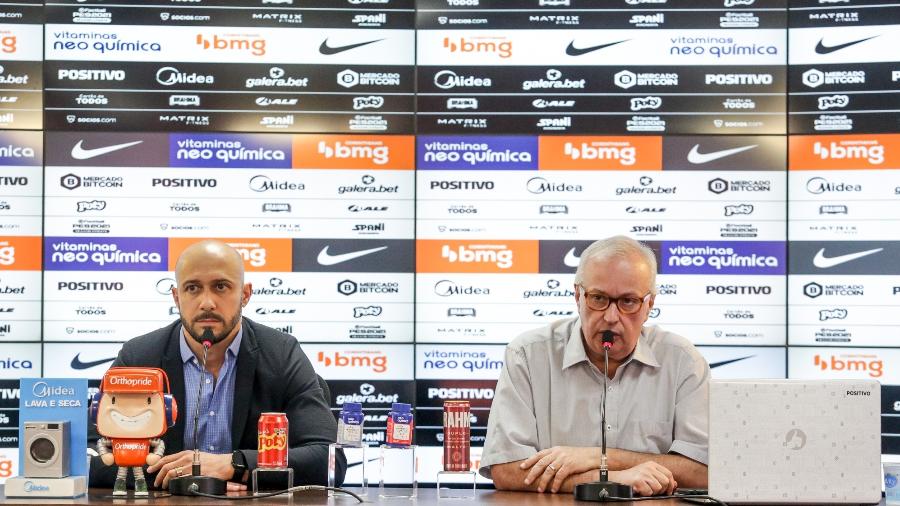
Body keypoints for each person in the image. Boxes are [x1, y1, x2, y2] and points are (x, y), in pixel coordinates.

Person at [89, 240, 345, 491]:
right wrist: (184, 477)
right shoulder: (139, 357)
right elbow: (88, 456)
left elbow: (329, 460)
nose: (207, 302)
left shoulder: (282, 354)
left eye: (221, 286)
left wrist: (235, 465)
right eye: (192, 288)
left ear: (245, 294)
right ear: (177, 297)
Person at [479, 235, 709, 496]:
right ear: (577, 296)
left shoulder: (682, 361)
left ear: (650, 305)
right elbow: (506, 469)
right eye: (598, 299)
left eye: (628, 302)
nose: (612, 318)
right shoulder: (528, 355)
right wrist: (617, 480)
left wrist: (597, 458)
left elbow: (704, 471)